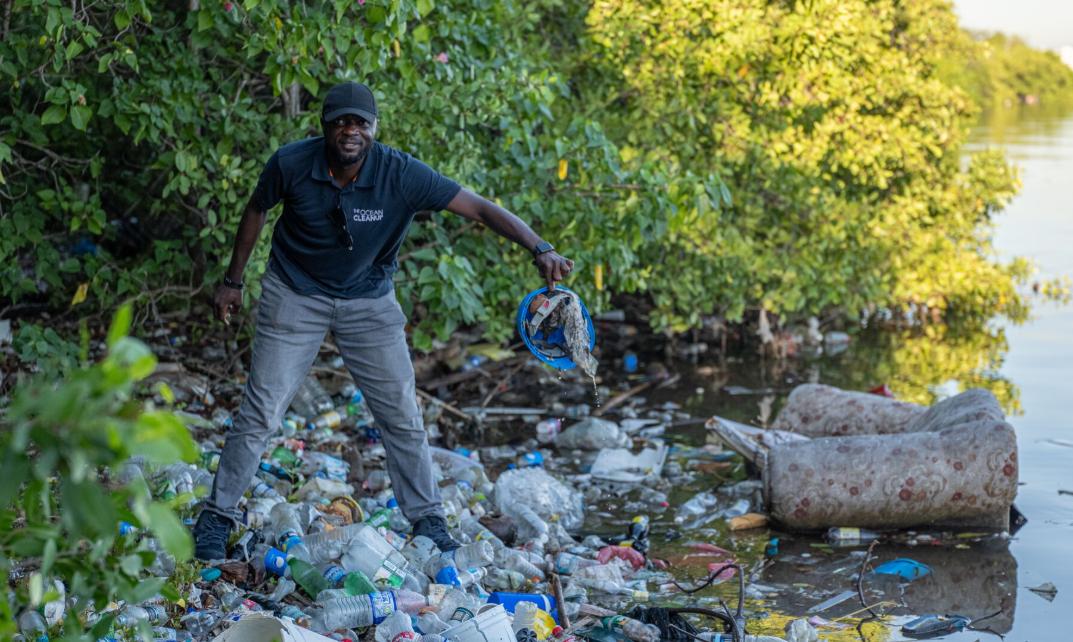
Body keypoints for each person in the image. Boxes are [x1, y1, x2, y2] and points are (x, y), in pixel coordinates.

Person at [192, 81, 574, 560]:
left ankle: (428, 519)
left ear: (374, 128)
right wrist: (233, 280)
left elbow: (477, 207)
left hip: (368, 302)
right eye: (341, 122)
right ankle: (217, 515)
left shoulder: (401, 173)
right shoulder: (291, 163)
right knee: (261, 411)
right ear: (325, 127)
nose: (351, 131)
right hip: (294, 293)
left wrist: (540, 246)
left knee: (401, 413)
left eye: (361, 122)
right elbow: (256, 209)